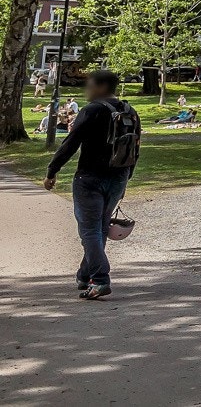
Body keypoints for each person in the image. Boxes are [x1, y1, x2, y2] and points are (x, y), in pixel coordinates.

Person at [44, 69, 140, 300]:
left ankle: (100, 279)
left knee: (89, 230)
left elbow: (71, 143)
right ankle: (84, 274)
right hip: (118, 176)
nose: (87, 90)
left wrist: (52, 171)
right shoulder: (130, 111)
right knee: (100, 228)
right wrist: (126, 177)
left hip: (90, 178)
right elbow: (135, 148)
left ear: (100, 87)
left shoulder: (92, 110)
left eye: (90, 85)